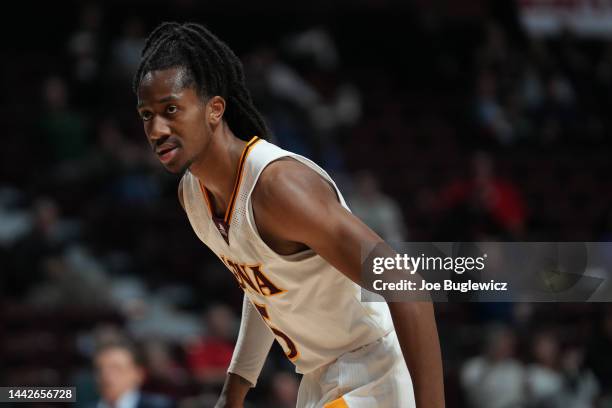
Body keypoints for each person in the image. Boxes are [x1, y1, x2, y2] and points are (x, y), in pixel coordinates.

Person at [133, 22, 444, 408]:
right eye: (147, 115)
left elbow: (407, 285)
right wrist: (233, 391)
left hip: (372, 368)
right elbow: (263, 285)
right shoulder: (193, 196)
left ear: (214, 109)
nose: (157, 128)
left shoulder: (279, 187)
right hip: (318, 378)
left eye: (171, 109)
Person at [93, 340, 175, 408]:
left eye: (116, 369)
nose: (105, 375)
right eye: (100, 369)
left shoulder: (161, 406)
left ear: (138, 374)